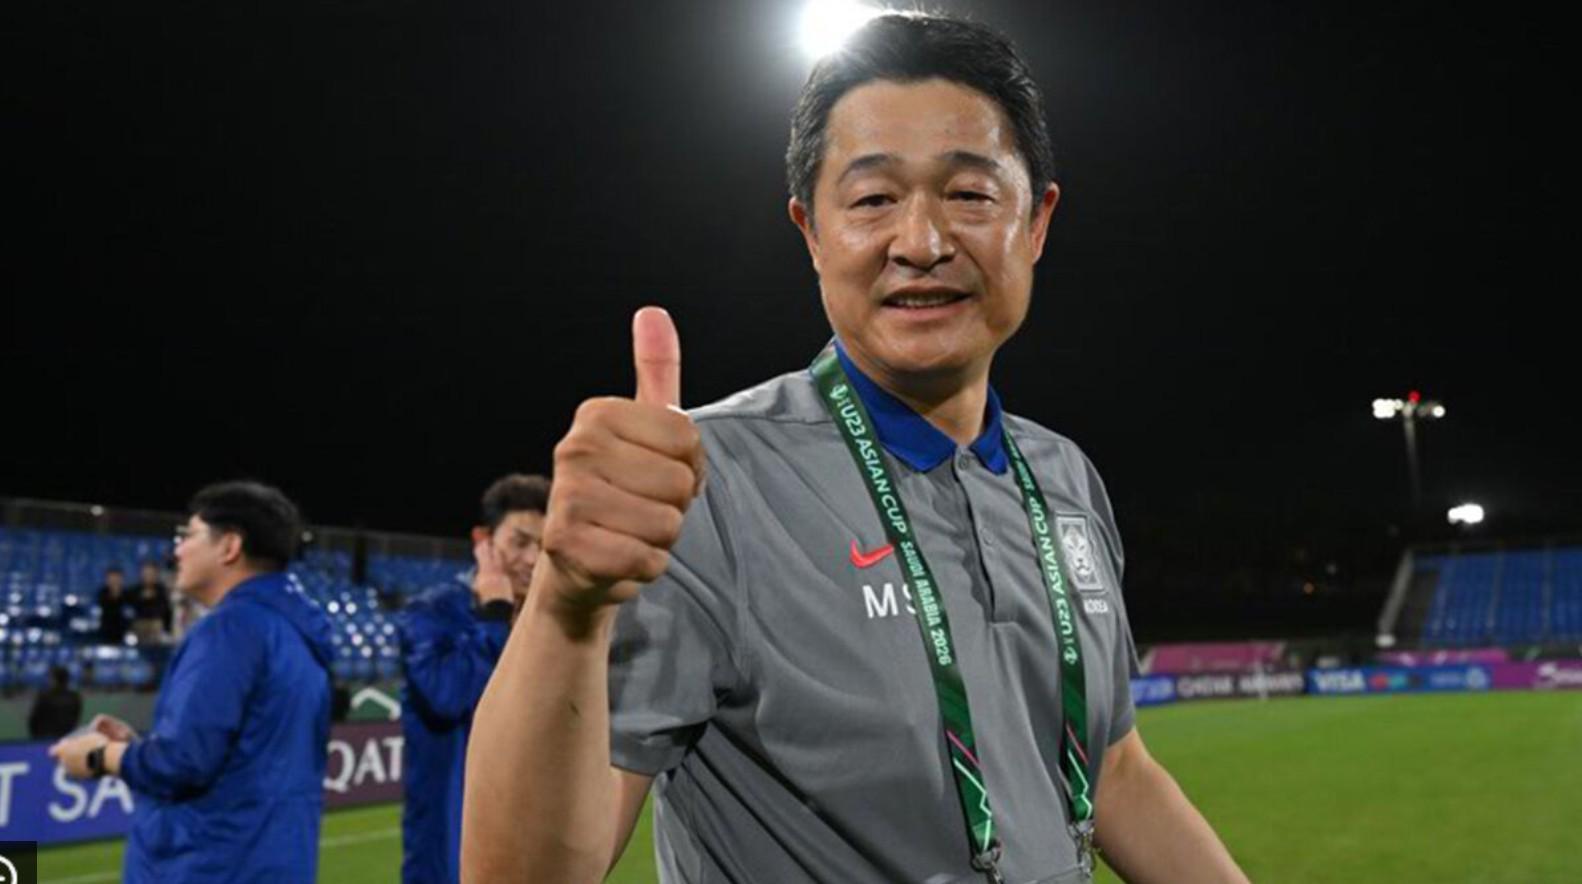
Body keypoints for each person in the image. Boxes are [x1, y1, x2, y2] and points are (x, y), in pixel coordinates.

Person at [465, 14, 1250, 884]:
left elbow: (1112, 769)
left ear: (1036, 223)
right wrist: (566, 608)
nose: (921, 243)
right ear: (811, 232)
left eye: (970, 194)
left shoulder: (1066, 480)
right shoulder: (697, 486)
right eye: (874, 199)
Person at [49, 480, 334, 883]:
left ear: (229, 546)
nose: (177, 550)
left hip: (210, 865)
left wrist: (101, 756)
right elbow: (244, 756)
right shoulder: (296, 633)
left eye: (189, 535)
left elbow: (182, 763)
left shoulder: (231, 629)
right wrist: (137, 746)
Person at [400, 473, 548, 884]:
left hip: (529, 829)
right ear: (483, 541)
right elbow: (446, 696)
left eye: (543, 546)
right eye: (520, 542)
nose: (533, 559)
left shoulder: (546, 622)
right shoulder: (432, 611)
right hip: (448, 836)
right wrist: (493, 617)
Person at [28, 666, 83, 740]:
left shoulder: (45, 696)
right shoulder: (74, 697)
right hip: (68, 738)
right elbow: (76, 718)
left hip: (47, 738)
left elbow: (34, 720)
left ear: (54, 680)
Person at [131, 560, 173, 645]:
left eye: (151, 573)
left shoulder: (162, 591)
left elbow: (166, 612)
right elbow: (132, 611)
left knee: (157, 624)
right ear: (142, 574)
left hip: (158, 630)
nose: (149, 576)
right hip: (139, 629)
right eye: (146, 573)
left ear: (156, 574)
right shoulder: (134, 591)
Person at [96, 565, 131, 645]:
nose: (114, 581)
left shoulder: (128, 595)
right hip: (104, 634)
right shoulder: (101, 595)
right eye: (111, 578)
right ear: (107, 580)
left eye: (117, 578)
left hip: (124, 634)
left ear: (122, 579)